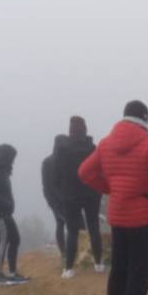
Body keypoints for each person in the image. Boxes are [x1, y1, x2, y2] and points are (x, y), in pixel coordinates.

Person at [79, 100, 148, 295]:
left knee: (119, 269)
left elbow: (84, 172)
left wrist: (110, 189)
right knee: (139, 271)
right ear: (145, 119)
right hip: (143, 218)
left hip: (118, 216)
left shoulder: (105, 144)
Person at [53, 116, 104, 279]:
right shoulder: (93, 148)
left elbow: (56, 172)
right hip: (92, 193)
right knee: (94, 227)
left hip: (70, 195)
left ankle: (69, 268)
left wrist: (60, 192)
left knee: (72, 231)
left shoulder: (61, 149)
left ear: (70, 130)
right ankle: (98, 264)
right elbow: (99, 169)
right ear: (85, 129)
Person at [0, 144, 28, 285]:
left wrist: (8, 207)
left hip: (5, 213)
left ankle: (12, 273)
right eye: (11, 158)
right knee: (3, 240)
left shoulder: (2, 170)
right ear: (4, 156)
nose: (12, 161)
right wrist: (7, 205)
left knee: (15, 239)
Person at [41, 135, 66, 256]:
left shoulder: (46, 161)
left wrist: (49, 201)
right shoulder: (63, 160)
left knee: (60, 224)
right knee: (67, 224)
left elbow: (45, 185)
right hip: (62, 199)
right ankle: (68, 252)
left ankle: (64, 252)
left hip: (54, 199)